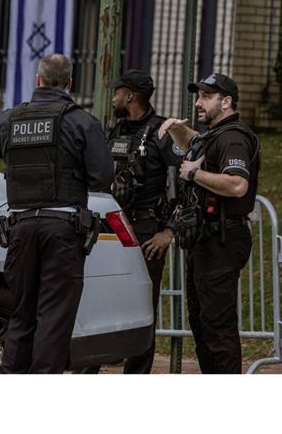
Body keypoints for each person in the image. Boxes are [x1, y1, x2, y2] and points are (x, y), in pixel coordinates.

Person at [0, 53, 113, 373]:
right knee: (54, 317)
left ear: (38, 81)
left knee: (22, 314)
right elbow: (103, 176)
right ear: (70, 84)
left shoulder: (9, 120)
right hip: (63, 232)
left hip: (20, 231)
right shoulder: (82, 122)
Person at [79, 69, 180, 374]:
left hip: (148, 232)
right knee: (100, 299)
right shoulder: (114, 128)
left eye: (117, 92)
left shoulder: (162, 132)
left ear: (130, 96)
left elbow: (182, 185)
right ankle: (88, 369)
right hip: (111, 229)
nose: (113, 97)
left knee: (142, 306)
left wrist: (169, 231)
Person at [158, 73, 260, 374]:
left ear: (225, 102)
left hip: (222, 240)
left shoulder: (233, 138)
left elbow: (237, 185)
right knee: (203, 324)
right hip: (205, 240)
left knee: (217, 328)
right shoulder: (213, 135)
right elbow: (193, 142)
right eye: (198, 95)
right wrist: (178, 130)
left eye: (206, 97)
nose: (198, 102)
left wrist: (193, 174)